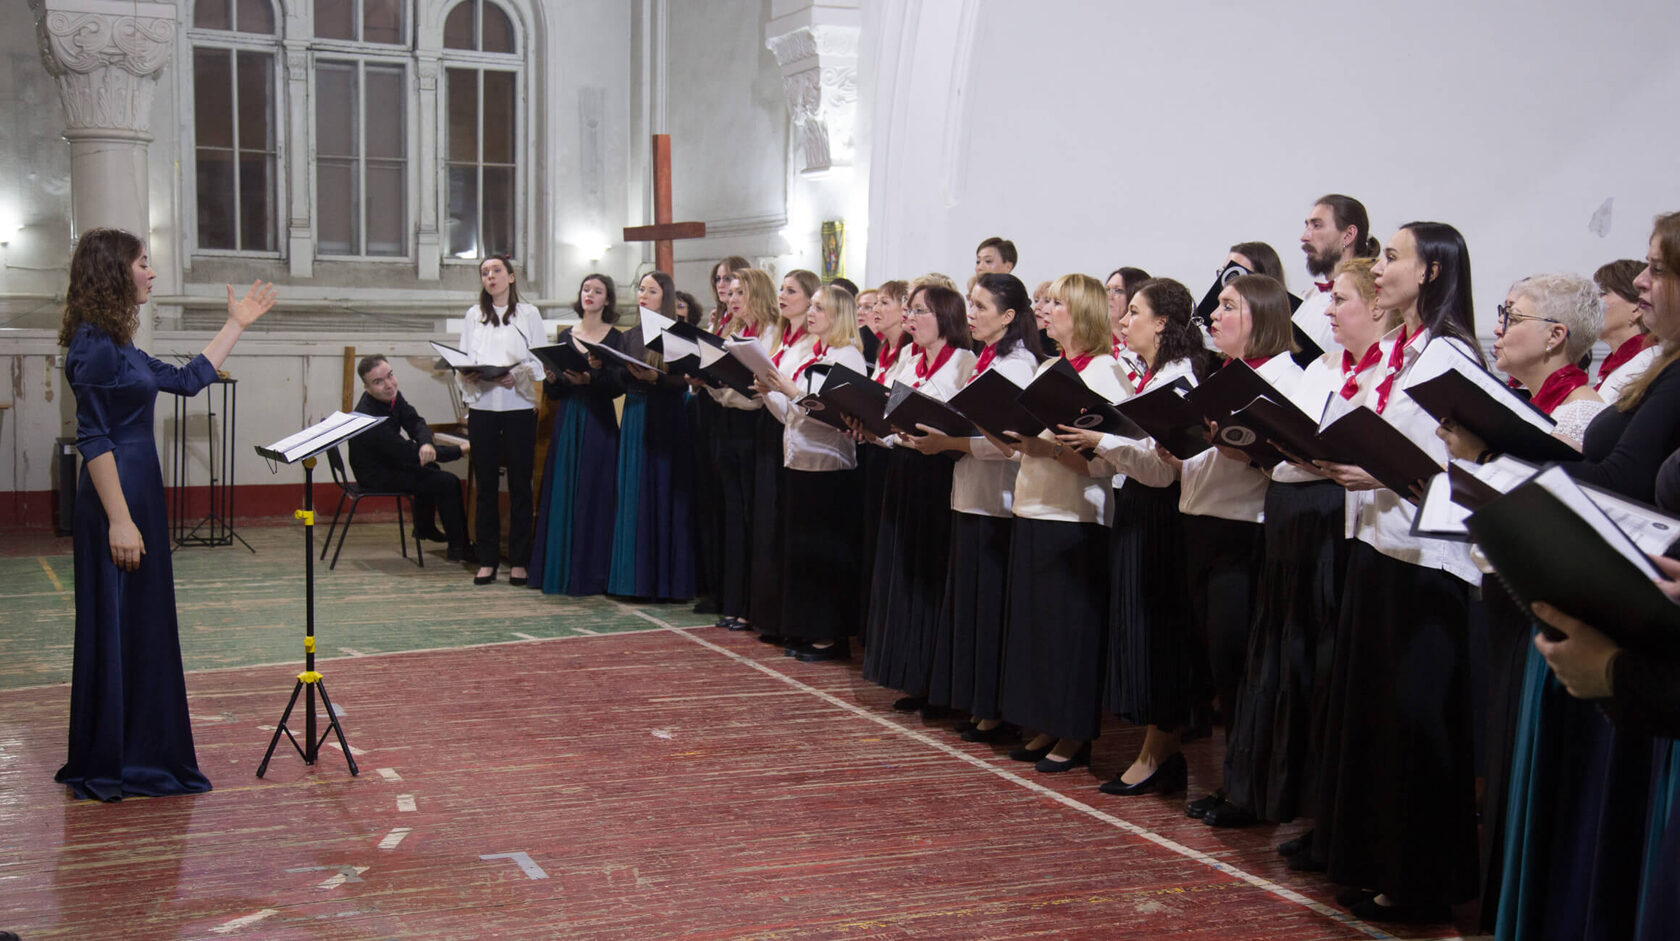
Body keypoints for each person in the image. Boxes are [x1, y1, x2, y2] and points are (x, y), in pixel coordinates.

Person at [1489, 211, 1680, 941]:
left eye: (1657, 268)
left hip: (1639, 627)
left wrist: (1501, 463)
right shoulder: (1657, 367)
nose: (1639, 281)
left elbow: (1622, 478)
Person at [56, 227, 277, 802]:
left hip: (139, 493)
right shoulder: (93, 345)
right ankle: (118, 758)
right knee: (118, 622)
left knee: (141, 624)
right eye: (142, 263)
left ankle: (139, 750)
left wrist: (236, 325)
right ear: (113, 272)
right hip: (116, 499)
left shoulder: (118, 342)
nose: (151, 272)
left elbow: (184, 381)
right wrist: (120, 520)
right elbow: (93, 438)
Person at [1310, 222, 1486, 924]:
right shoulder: (1405, 348)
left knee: (1419, 725)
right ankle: (1382, 863)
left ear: (1432, 271)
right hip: (1382, 546)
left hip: (1427, 560)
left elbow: (1462, 465)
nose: (1378, 269)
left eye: (1391, 257)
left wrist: (1378, 472)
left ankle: (1422, 880)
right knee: (1381, 721)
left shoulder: (1450, 353)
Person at [1222, 258, 1393, 836]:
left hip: (1332, 513)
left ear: (1377, 306)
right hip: (1289, 506)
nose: (1327, 311)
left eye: (1341, 300)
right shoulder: (1320, 366)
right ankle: (1267, 789)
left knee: (1319, 660)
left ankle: (1319, 810)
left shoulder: (1388, 372)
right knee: (1277, 652)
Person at [1158, 274, 1307, 828]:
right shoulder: (1223, 376)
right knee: (1220, 667)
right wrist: (1180, 451)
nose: (1213, 318)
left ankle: (1251, 790)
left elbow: (1286, 457)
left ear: (1260, 317)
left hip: (1245, 533)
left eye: (1227, 307)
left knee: (1242, 668)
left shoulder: (1284, 379)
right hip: (1203, 524)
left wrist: (1249, 450)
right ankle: (1235, 782)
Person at [1061, 278, 1213, 796]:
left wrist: (1100, 439)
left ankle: (1158, 752)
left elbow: (1160, 469)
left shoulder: (1178, 378)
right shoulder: (1153, 374)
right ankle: (1157, 749)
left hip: (1161, 514)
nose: (1123, 323)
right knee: (1140, 628)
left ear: (1162, 323)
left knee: (1157, 632)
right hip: (1140, 508)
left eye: (1134, 314)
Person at [988, 273, 1127, 772]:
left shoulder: (1106, 372)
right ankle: (1045, 722)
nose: (1045, 310)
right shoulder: (1051, 365)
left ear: (1083, 312)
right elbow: (1027, 443)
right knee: (1037, 628)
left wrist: (1043, 447)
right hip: (1033, 504)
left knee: (1069, 629)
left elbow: (1107, 463)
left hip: (1075, 514)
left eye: (1056, 303)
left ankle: (1073, 733)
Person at [906, 273, 1044, 737]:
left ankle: (994, 707)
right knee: (970, 604)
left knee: (990, 607)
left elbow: (1008, 442)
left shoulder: (1018, 365)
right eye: (971, 304)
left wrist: (950, 441)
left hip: (998, 499)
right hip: (970, 493)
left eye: (981, 306)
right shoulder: (987, 358)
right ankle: (974, 700)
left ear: (1008, 316)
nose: (971, 314)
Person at [860, 283, 977, 708]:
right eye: (909, 310)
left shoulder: (964, 362)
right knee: (905, 571)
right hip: (905, 469)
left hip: (939, 472)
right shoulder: (910, 358)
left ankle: (935, 682)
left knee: (932, 574)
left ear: (946, 317)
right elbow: (894, 418)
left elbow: (964, 423)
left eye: (920, 311)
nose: (910, 318)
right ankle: (911, 673)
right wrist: (872, 428)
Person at [753, 284, 870, 661]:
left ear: (838, 314)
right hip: (799, 459)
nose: (812, 313)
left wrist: (790, 392)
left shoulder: (847, 356)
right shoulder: (811, 352)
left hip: (829, 465)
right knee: (803, 550)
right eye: (813, 306)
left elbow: (836, 416)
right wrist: (769, 392)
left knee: (826, 552)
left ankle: (830, 635)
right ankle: (806, 627)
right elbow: (791, 414)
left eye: (819, 307)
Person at [530, 273, 625, 595]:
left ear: (607, 300)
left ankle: (592, 573)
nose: (590, 294)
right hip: (569, 418)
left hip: (598, 418)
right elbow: (556, 392)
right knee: (564, 490)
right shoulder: (566, 335)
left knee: (596, 491)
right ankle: (559, 570)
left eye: (598, 291)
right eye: (586, 289)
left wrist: (591, 379)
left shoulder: (615, 338)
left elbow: (617, 386)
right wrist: (552, 380)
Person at [455, 254, 546, 586]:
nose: (490, 276)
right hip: (483, 408)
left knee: (521, 484)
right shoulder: (474, 315)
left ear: (510, 277)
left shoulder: (529, 314)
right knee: (486, 486)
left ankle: (519, 560)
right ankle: (487, 559)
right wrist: (468, 374)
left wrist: (517, 374)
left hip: (518, 407)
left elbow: (540, 362)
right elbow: (463, 359)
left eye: (496, 271)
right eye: (484, 272)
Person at [607, 271, 697, 601]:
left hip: (666, 417)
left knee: (662, 492)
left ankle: (665, 582)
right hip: (634, 414)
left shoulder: (678, 335)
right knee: (633, 494)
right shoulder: (629, 335)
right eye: (641, 289)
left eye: (652, 291)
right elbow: (617, 381)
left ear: (666, 297)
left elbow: (684, 381)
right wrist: (608, 367)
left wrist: (655, 379)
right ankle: (632, 581)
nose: (643, 295)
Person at [348, 354, 470, 563]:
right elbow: (407, 454)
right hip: (375, 475)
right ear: (367, 388)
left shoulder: (392, 396)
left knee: (432, 468)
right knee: (448, 482)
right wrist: (460, 450)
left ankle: (424, 527)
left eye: (390, 375)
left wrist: (426, 443)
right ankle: (460, 548)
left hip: (388, 462)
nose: (389, 384)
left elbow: (415, 422)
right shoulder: (369, 418)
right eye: (378, 382)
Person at [703, 272, 772, 631]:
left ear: (757, 294)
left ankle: (750, 605)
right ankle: (732, 601)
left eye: (740, 293)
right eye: (729, 293)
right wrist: (709, 380)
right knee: (732, 515)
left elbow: (763, 388)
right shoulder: (733, 332)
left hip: (754, 427)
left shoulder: (770, 332)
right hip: (727, 422)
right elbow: (726, 388)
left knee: (750, 515)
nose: (732, 299)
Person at [1295, 194, 1380, 356]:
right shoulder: (1307, 298)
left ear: (1348, 235)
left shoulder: (1372, 295)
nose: (1304, 237)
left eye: (1317, 226)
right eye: (1307, 226)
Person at [1594, 258, 1657, 402]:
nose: (1592, 303)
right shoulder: (1618, 361)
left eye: (1603, 293)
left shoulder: (1647, 363)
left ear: (1637, 309)